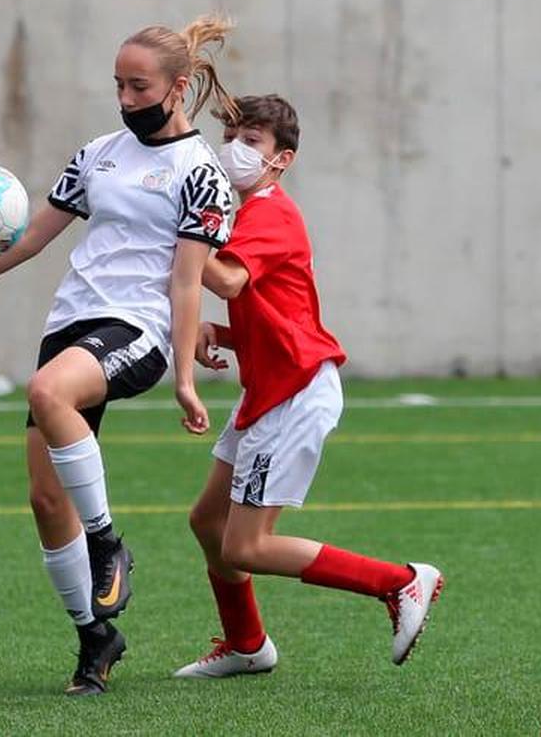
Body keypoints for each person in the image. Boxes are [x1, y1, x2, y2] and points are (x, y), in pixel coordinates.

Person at [0, 15, 236, 695]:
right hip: (71, 326)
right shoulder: (98, 155)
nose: (124, 98)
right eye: (117, 84)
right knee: (44, 498)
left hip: (135, 329)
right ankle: (95, 637)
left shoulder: (204, 175)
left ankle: (108, 542)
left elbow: (185, 280)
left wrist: (185, 378)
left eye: (138, 86)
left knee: (48, 392)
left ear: (177, 88)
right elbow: (25, 242)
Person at [173, 94, 443, 679]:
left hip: (295, 394)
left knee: (244, 546)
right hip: (270, 388)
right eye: (233, 137)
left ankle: (400, 583)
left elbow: (226, 278)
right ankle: (248, 645)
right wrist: (216, 331)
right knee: (207, 523)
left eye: (252, 143)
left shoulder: (271, 214)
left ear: (282, 160)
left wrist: (179, 221)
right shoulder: (247, 215)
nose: (236, 151)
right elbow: (270, 318)